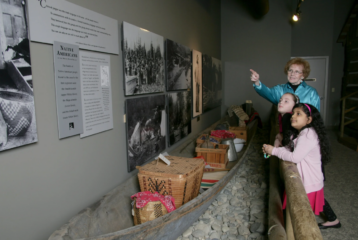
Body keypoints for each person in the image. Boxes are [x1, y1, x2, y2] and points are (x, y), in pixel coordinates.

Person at [262, 103, 340, 229]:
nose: (293, 116)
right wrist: (272, 150)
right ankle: (333, 220)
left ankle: (293, 230)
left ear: (309, 119)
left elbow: (295, 157)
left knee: (297, 209)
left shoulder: (308, 134)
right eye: (293, 113)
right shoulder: (301, 133)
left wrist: (274, 151)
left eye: (298, 114)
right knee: (319, 201)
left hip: (308, 180)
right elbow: (288, 149)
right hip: (311, 178)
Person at [250, 58, 320, 111]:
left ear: (303, 75)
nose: (292, 74)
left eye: (297, 71)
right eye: (290, 70)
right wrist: (257, 81)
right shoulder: (280, 89)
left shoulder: (311, 92)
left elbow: (316, 115)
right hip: (285, 128)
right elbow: (266, 92)